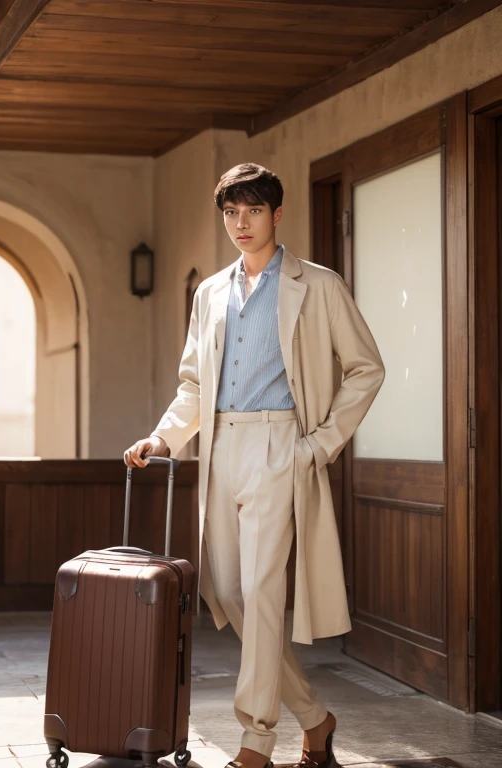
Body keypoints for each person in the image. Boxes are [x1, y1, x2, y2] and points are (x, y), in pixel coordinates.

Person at [124, 163, 385, 768]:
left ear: (277, 215)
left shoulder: (317, 285)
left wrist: (317, 445)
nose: (240, 225)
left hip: (280, 447)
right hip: (220, 449)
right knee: (227, 593)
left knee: (262, 592)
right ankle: (316, 720)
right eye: (231, 214)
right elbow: (194, 382)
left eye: (253, 212)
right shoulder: (210, 292)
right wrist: (164, 438)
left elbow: (366, 367)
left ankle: (256, 739)